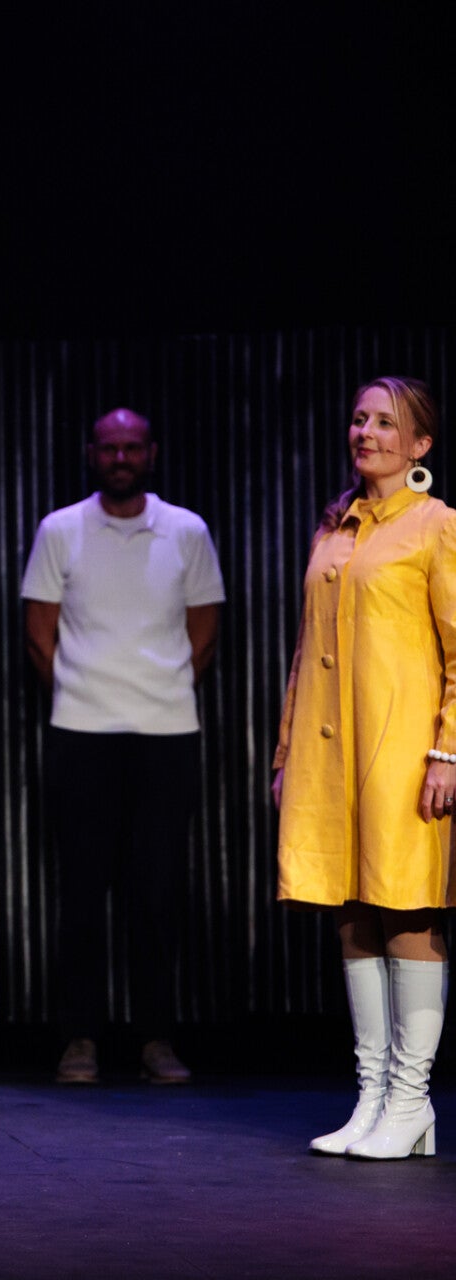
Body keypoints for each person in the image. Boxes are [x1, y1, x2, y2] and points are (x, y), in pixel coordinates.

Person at [274, 376, 453, 1159]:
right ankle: (372, 1098)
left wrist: (447, 750)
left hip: (403, 753)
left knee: (406, 910)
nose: (366, 432)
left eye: (385, 422)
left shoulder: (435, 526)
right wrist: (286, 756)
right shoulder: (336, 526)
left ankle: (410, 1101)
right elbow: (303, 654)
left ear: (419, 444)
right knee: (351, 913)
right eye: (358, 418)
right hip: (330, 759)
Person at [23, 408, 223, 1085]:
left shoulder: (186, 529)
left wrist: (160, 690)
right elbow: (39, 632)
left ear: (151, 453)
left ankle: (156, 1038)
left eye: (131, 447)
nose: (119, 458)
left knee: (157, 893)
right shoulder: (60, 529)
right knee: (82, 893)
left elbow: (204, 630)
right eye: (109, 448)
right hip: (81, 733)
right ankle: (78, 1039)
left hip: (165, 736)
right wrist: (83, 693)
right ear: (91, 453)